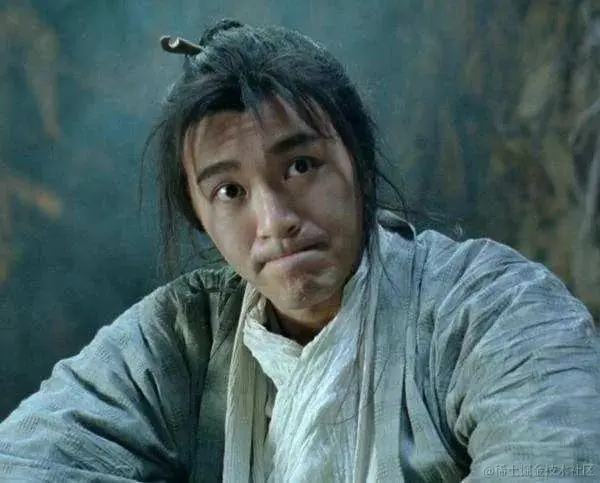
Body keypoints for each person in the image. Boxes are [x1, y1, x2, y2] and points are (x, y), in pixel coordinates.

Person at [1, 18, 599, 483]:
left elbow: (559, 459)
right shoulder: (180, 340)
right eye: (229, 191)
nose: (275, 221)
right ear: (200, 217)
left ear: (358, 165)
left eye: (301, 166)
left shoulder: (493, 309)